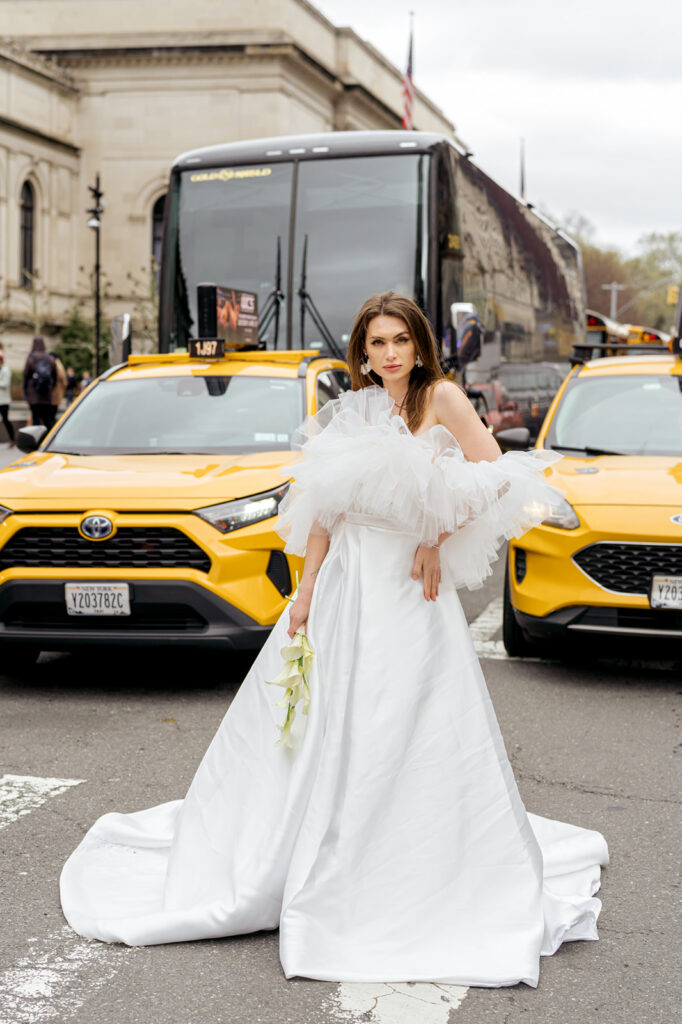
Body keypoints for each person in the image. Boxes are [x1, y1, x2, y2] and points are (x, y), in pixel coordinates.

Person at [60, 292, 608, 988]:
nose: (387, 354)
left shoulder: (441, 398)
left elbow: (494, 475)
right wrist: (308, 589)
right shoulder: (356, 409)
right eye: (375, 343)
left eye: (398, 341)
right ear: (363, 351)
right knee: (326, 721)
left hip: (410, 587)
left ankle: (406, 864)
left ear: (418, 344)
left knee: (403, 718)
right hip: (348, 582)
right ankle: (304, 849)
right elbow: (324, 506)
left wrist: (435, 538)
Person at [23, 336, 57, 430]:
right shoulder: (50, 358)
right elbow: (55, 376)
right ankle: (49, 440)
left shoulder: (31, 358)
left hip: (33, 395)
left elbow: (25, 375)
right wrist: (50, 387)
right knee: (47, 420)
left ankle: (37, 442)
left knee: (36, 419)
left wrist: (26, 393)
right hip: (46, 395)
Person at [0, 350, 14, 444]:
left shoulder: (6, 370)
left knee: (5, 420)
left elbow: (5, 384)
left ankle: (12, 439)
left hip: (4, 401)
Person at [51, 355, 68, 423]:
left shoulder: (56, 364)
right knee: (53, 413)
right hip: (57, 393)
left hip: (53, 393)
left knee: (51, 414)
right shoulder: (59, 365)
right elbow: (64, 382)